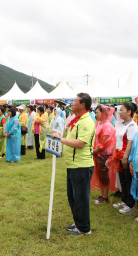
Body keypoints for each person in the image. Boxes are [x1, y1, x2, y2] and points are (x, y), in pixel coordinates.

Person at [52, 93, 96, 236]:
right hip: (73, 165)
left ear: (82, 105)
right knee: (73, 197)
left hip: (82, 165)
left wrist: (61, 139)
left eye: (75, 101)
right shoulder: (77, 119)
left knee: (81, 198)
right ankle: (78, 223)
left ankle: (84, 228)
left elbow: (81, 143)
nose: (72, 103)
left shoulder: (87, 121)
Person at [114, 103, 138, 214]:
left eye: (122, 110)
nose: (119, 112)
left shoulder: (132, 126)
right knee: (123, 180)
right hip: (119, 155)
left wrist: (125, 158)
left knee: (128, 181)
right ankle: (124, 201)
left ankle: (130, 205)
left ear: (129, 112)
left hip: (126, 156)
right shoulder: (123, 124)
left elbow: (130, 143)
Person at [90, 105, 116, 204]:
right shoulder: (99, 123)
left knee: (104, 175)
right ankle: (101, 195)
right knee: (100, 174)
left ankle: (105, 197)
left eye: (97, 112)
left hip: (104, 154)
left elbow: (105, 142)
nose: (95, 114)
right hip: (98, 153)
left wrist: (96, 150)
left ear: (103, 113)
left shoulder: (107, 125)